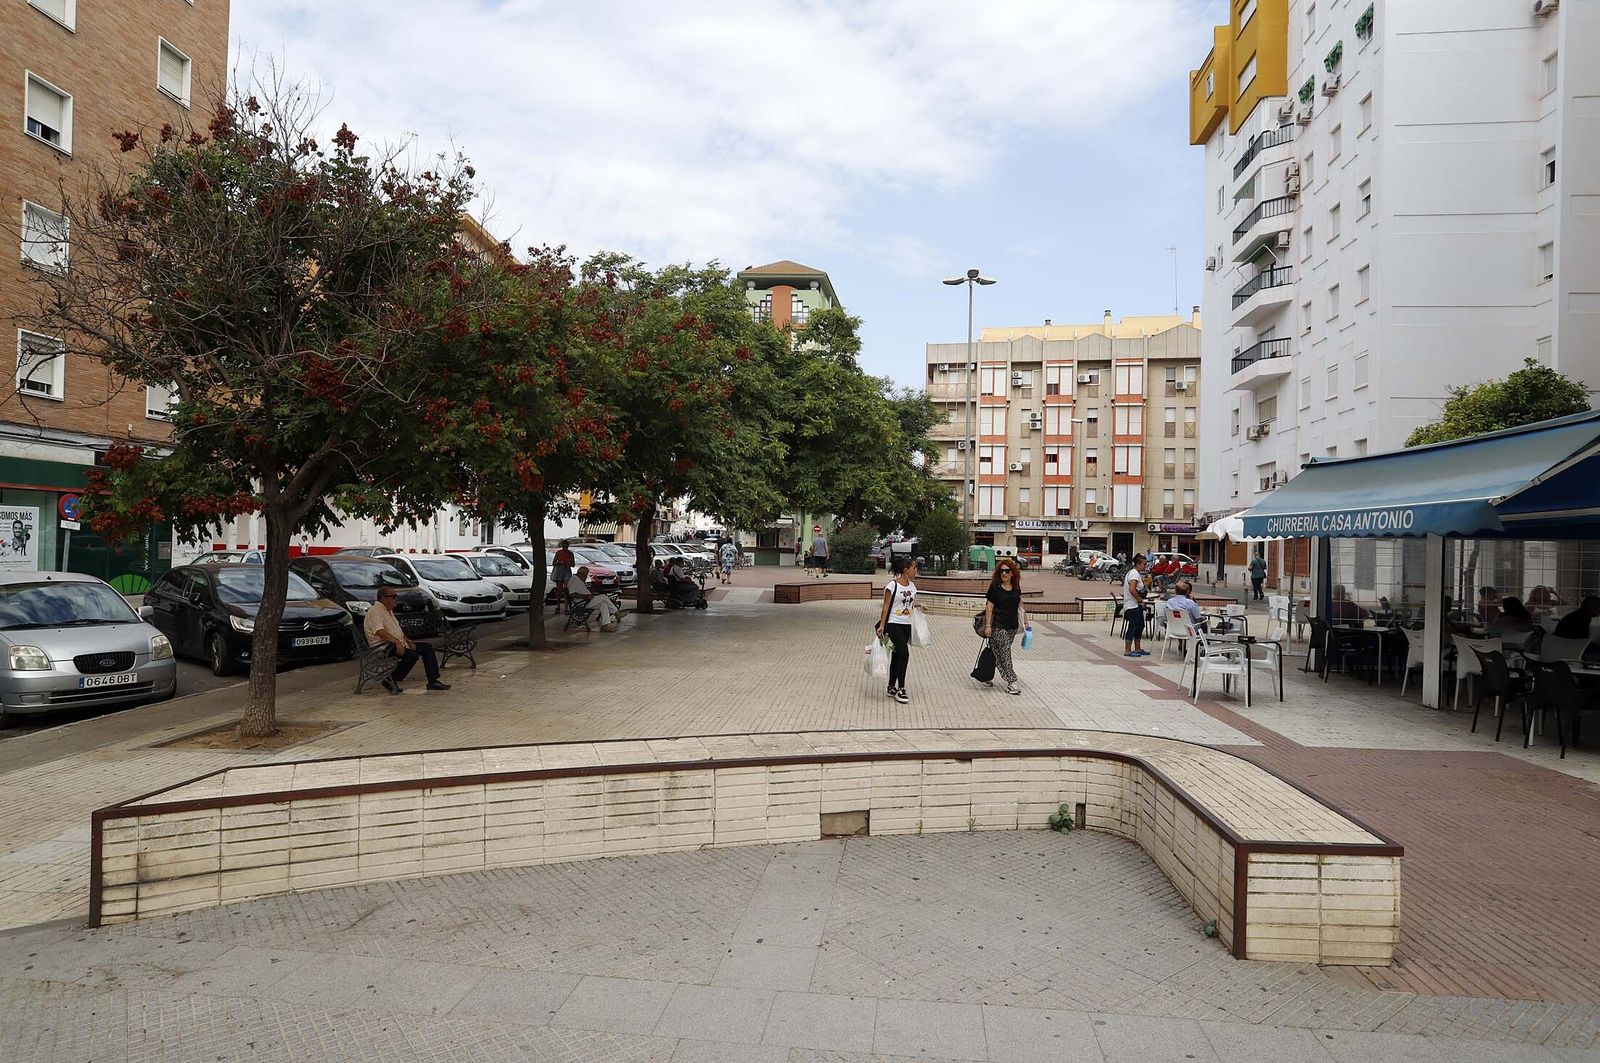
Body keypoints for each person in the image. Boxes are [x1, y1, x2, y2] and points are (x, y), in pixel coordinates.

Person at [364, 587, 450, 693]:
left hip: (397, 644)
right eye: (393, 597)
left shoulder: (388, 611)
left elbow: (397, 630)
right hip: (384, 647)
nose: (396, 599)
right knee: (412, 655)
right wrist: (396, 641)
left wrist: (407, 640)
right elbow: (379, 631)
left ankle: (433, 681)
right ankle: (390, 679)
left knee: (426, 648)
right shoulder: (375, 611)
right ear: (383, 598)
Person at [874, 555, 920, 703]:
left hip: (906, 624)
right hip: (893, 623)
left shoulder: (912, 587)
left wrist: (920, 606)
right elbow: (886, 606)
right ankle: (901, 688)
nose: (915, 570)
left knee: (897, 655)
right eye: (913, 567)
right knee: (904, 654)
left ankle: (890, 687)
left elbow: (909, 605)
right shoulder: (892, 586)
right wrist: (881, 625)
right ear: (905, 570)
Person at [981, 558, 1028, 695]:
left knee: (997, 652)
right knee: (1005, 652)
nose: (1004, 574)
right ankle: (1011, 682)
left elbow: (1020, 604)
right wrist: (988, 625)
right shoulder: (995, 588)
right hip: (997, 626)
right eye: (1002, 571)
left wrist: (1025, 621)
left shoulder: (1016, 587)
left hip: (1012, 626)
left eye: (1007, 571)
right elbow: (989, 606)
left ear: (1012, 573)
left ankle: (985, 675)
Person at [1122, 554, 1149, 657]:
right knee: (1132, 627)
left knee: (1140, 626)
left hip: (1135, 605)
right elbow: (1132, 589)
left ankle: (1138, 648)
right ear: (1138, 564)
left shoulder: (1135, 573)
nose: (1145, 566)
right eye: (1144, 564)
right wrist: (1140, 600)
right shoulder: (1134, 574)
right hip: (1132, 605)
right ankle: (1127, 650)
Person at [551, 540, 576, 614]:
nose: (565, 547)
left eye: (566, 546)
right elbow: (554, 562)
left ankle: (566, 608)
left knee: (566, 590)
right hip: (560, 571)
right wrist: (559, 563)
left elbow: (573, 564)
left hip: (567, 571)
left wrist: (568, 563)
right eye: (563, 546)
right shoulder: (559, 553)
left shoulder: (570, 553)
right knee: (559, 590)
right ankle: (558, 606)